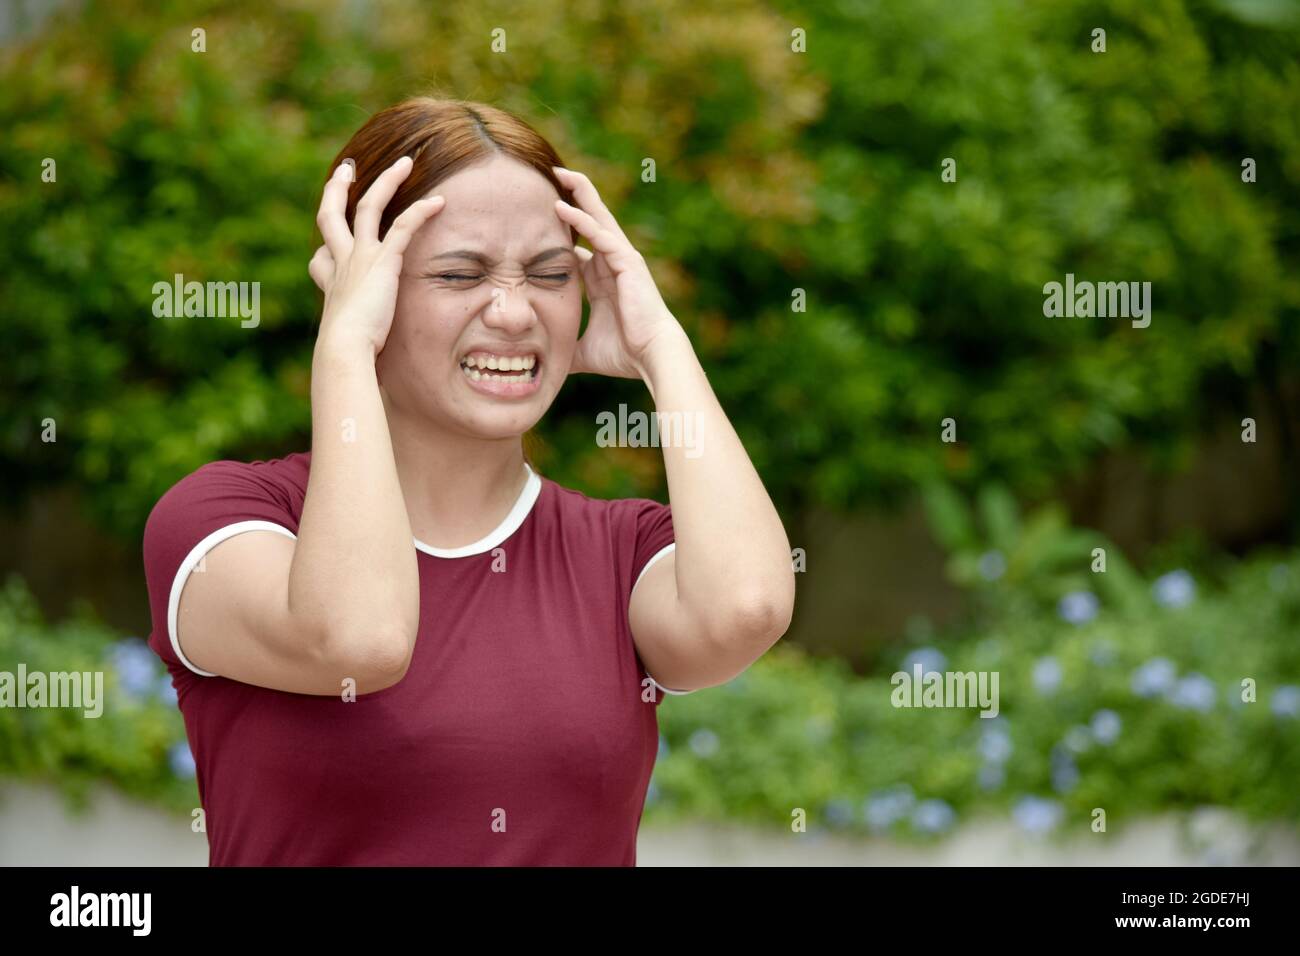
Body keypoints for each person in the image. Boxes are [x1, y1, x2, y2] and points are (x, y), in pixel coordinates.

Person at [142, 97, 796, 865]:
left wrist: (661, 346)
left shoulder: (617, 552)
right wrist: (345, 347)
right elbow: (361, 639)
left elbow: (746, 611)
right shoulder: (228, 522)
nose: (515, 313)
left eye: (550, 275)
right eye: (461, 273)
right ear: (366, 285)